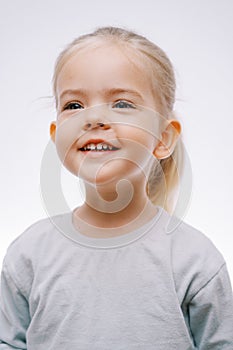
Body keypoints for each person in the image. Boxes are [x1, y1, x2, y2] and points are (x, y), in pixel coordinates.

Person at [0, 26, 232, 349]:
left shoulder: (194, 261)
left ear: (163, 138)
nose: (94, 118)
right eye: (74, 106)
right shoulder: (27, 257)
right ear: (55, 134)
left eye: (121, 104)